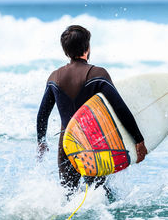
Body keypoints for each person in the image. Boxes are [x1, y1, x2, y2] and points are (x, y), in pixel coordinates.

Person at [36, 25, 147, 195]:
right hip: (93, 144)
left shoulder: (54, 77)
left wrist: (41, 141)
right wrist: (138, 140)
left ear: (65, 51)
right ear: (87, 47)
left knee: (68, 196)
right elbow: (119, 108)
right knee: (99, 194)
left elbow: (42, 115)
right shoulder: (97, 74)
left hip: (66, 144)